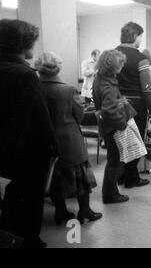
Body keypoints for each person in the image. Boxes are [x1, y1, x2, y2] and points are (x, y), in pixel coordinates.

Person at [0, 19, 57, 248]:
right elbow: (38, 121)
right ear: (21, 43)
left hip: (3, 151)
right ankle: (29, 241)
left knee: (9, 203)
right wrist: (53, 149)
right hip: (26, 155)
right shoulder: (24, 74)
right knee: (29, 204)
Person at [36, 53, 102, 225]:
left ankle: (61, 211)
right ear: (57, 67)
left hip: (44, 142)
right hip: (70, 142)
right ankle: (85, 211)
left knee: (56, 180)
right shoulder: (68, 90)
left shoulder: (34, 88)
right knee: (82, 180)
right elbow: (79, 116)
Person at [116, 22, 151, 189]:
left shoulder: (112, 54)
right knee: (136, 140)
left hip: (116, 104)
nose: (141, 39)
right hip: (136, 106)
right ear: (134, 36)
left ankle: (121, 176)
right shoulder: (140, 59)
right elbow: (147, 88)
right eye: (140, 36)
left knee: (120, 141)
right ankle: (132, 178)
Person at [93, 50, 133, 204]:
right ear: (112, 66)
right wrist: (122, 125)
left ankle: (111, 191)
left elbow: (106, 105)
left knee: (113, 160)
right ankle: (110, 194)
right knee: (114, 161)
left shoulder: (101, 79)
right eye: (121, 63)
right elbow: (109, 109)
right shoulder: (108, 84)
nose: (123, 66)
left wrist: (119, 101)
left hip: (106, 126)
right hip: (113, 127)